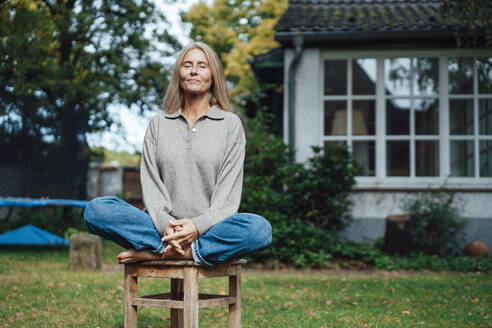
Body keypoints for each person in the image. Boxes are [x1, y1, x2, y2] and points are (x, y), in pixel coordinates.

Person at [84, 42, 272, 265]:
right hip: (161, 227)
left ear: (214, 76)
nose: (194, 71)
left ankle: (169, 251)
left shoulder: (230, 125)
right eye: (187, 65)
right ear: (179, 75)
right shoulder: (158, 124)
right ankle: (176, 248)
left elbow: (227, 199)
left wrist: (196, 226)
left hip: (210, 229)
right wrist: (165, 223)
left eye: (202, 66)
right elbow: (152, 186)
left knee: (260, 229)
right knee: (96, 210)